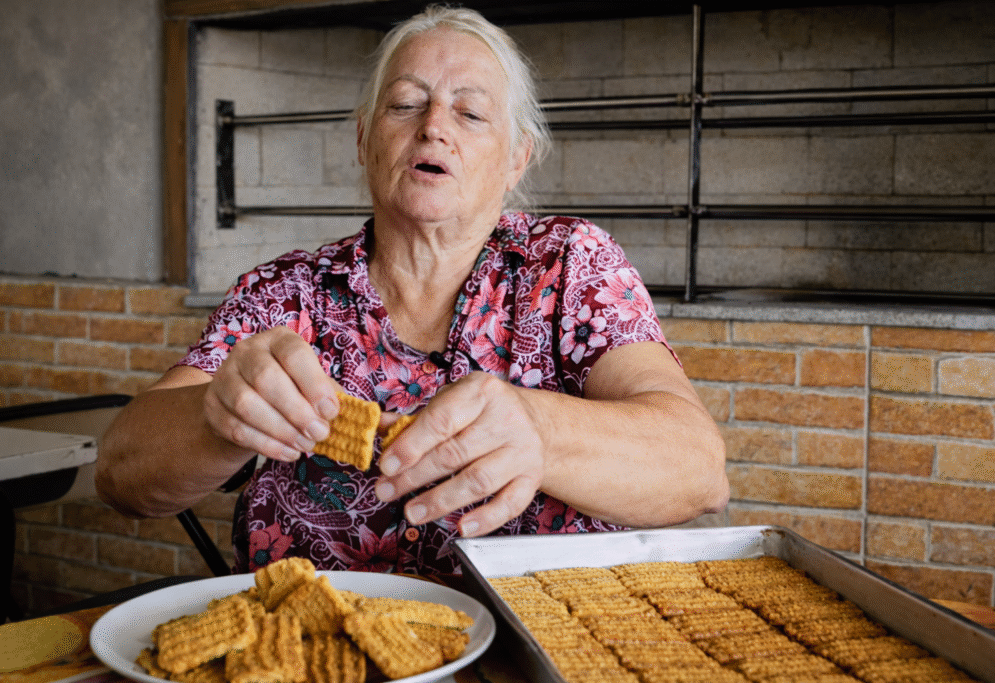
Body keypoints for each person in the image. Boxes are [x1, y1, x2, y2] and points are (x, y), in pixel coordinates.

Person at [96, 5, 728, 577]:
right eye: (404, 104)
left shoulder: (566, 265)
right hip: (318, 646)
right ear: (365, 139)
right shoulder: (286, 294)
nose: (433, 128)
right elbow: (121, 476)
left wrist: (539, 427)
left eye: (471, 113)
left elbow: (698, 469)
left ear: (516, 161)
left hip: (530, 652)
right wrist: (220, 417)